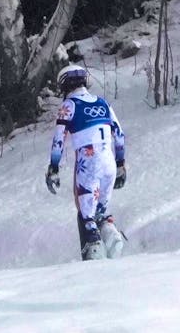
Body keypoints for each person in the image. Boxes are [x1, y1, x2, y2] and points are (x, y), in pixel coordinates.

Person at [44, 64, 127, 261]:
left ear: (64, 85)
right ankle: (111, 236)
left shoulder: (68, 106)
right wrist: (121, 163)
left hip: (88, 162)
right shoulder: (103, 103)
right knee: (101, 212)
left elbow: (58, 141)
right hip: (109, 162)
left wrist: (53, 168)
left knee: (86, 215)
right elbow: (120, 135)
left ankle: (94, 252)